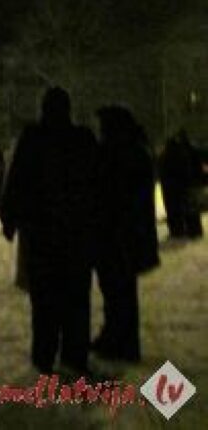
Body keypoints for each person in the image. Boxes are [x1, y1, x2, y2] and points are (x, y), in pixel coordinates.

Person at [1, 87, 99, 375]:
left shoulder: (33, 138)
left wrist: (10, 217)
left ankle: (44, 354)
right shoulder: (82, 139)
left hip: (41, 233)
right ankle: (74, 353)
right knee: (76, 298)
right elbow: (97, 185)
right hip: (75, 234)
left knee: (44, 300)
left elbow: (16, 180)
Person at [91, 106, 159, 362]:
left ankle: (121, 341)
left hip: (118, 235)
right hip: (126, 234)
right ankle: (118, 337)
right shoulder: (134, 150)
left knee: (118, 290)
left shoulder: (120, 153)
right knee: (119, 290)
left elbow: (112, 194)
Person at [158, 130, 203, 239]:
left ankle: (178, 230)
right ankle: (193, 229)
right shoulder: (184, 152)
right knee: (189, 207)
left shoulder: (167, 155)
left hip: (172, 186)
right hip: (185, 184)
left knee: (175, 209)